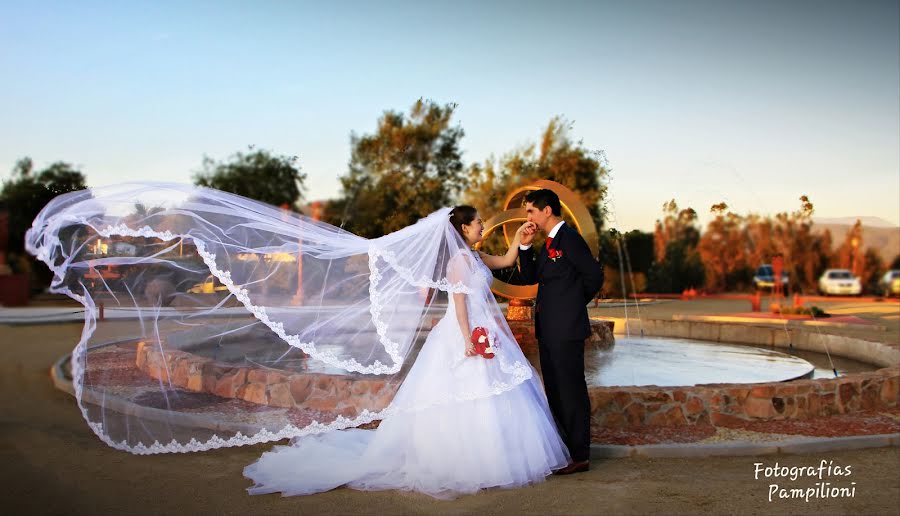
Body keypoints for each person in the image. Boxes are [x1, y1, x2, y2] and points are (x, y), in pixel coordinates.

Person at [242, 205, 570, 498]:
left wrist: (520, 238)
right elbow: (459, 303)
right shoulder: (458, 262)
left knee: (498, 393)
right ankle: (465, 461)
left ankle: (497, 457)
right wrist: (469, 338)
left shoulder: (476, 257)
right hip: (465, 332)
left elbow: (508, 260)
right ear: (464, 229)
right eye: (478, 223)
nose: (483, 227)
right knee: (465, 394)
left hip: (487, 331)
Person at [517, 189, 604, 475]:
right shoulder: (548, 243)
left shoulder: (569, 238)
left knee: (571, 390)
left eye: (531, 210)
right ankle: (566, 450)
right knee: (555, 390)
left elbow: (594, 275)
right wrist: (526, 248)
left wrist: (572, 305)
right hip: (549, 329)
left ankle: (580, 456)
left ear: (547, 211)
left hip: (566, 329)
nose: (527, 216)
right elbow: (530, 279)